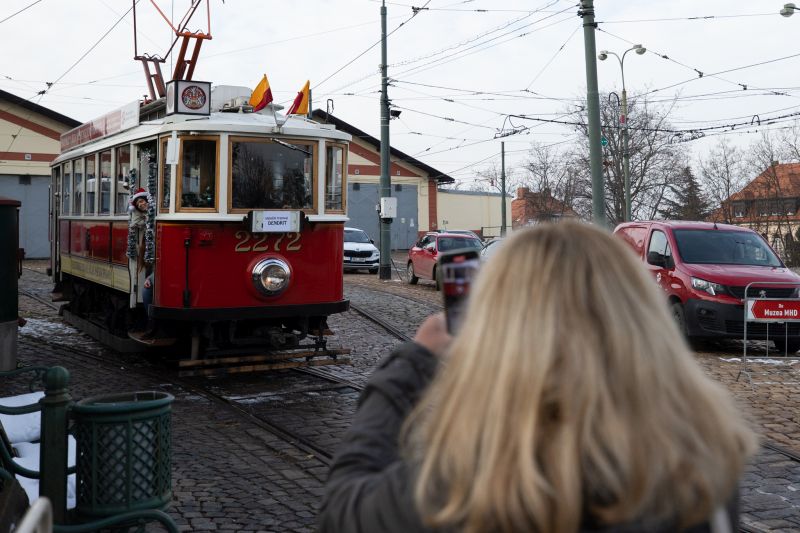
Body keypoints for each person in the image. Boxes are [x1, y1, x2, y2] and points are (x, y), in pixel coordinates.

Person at [319, 220, 758, 533]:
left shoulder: (464, 485)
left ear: (503, 331)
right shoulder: (705, 471)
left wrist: (413, 363)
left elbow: (343, 507)